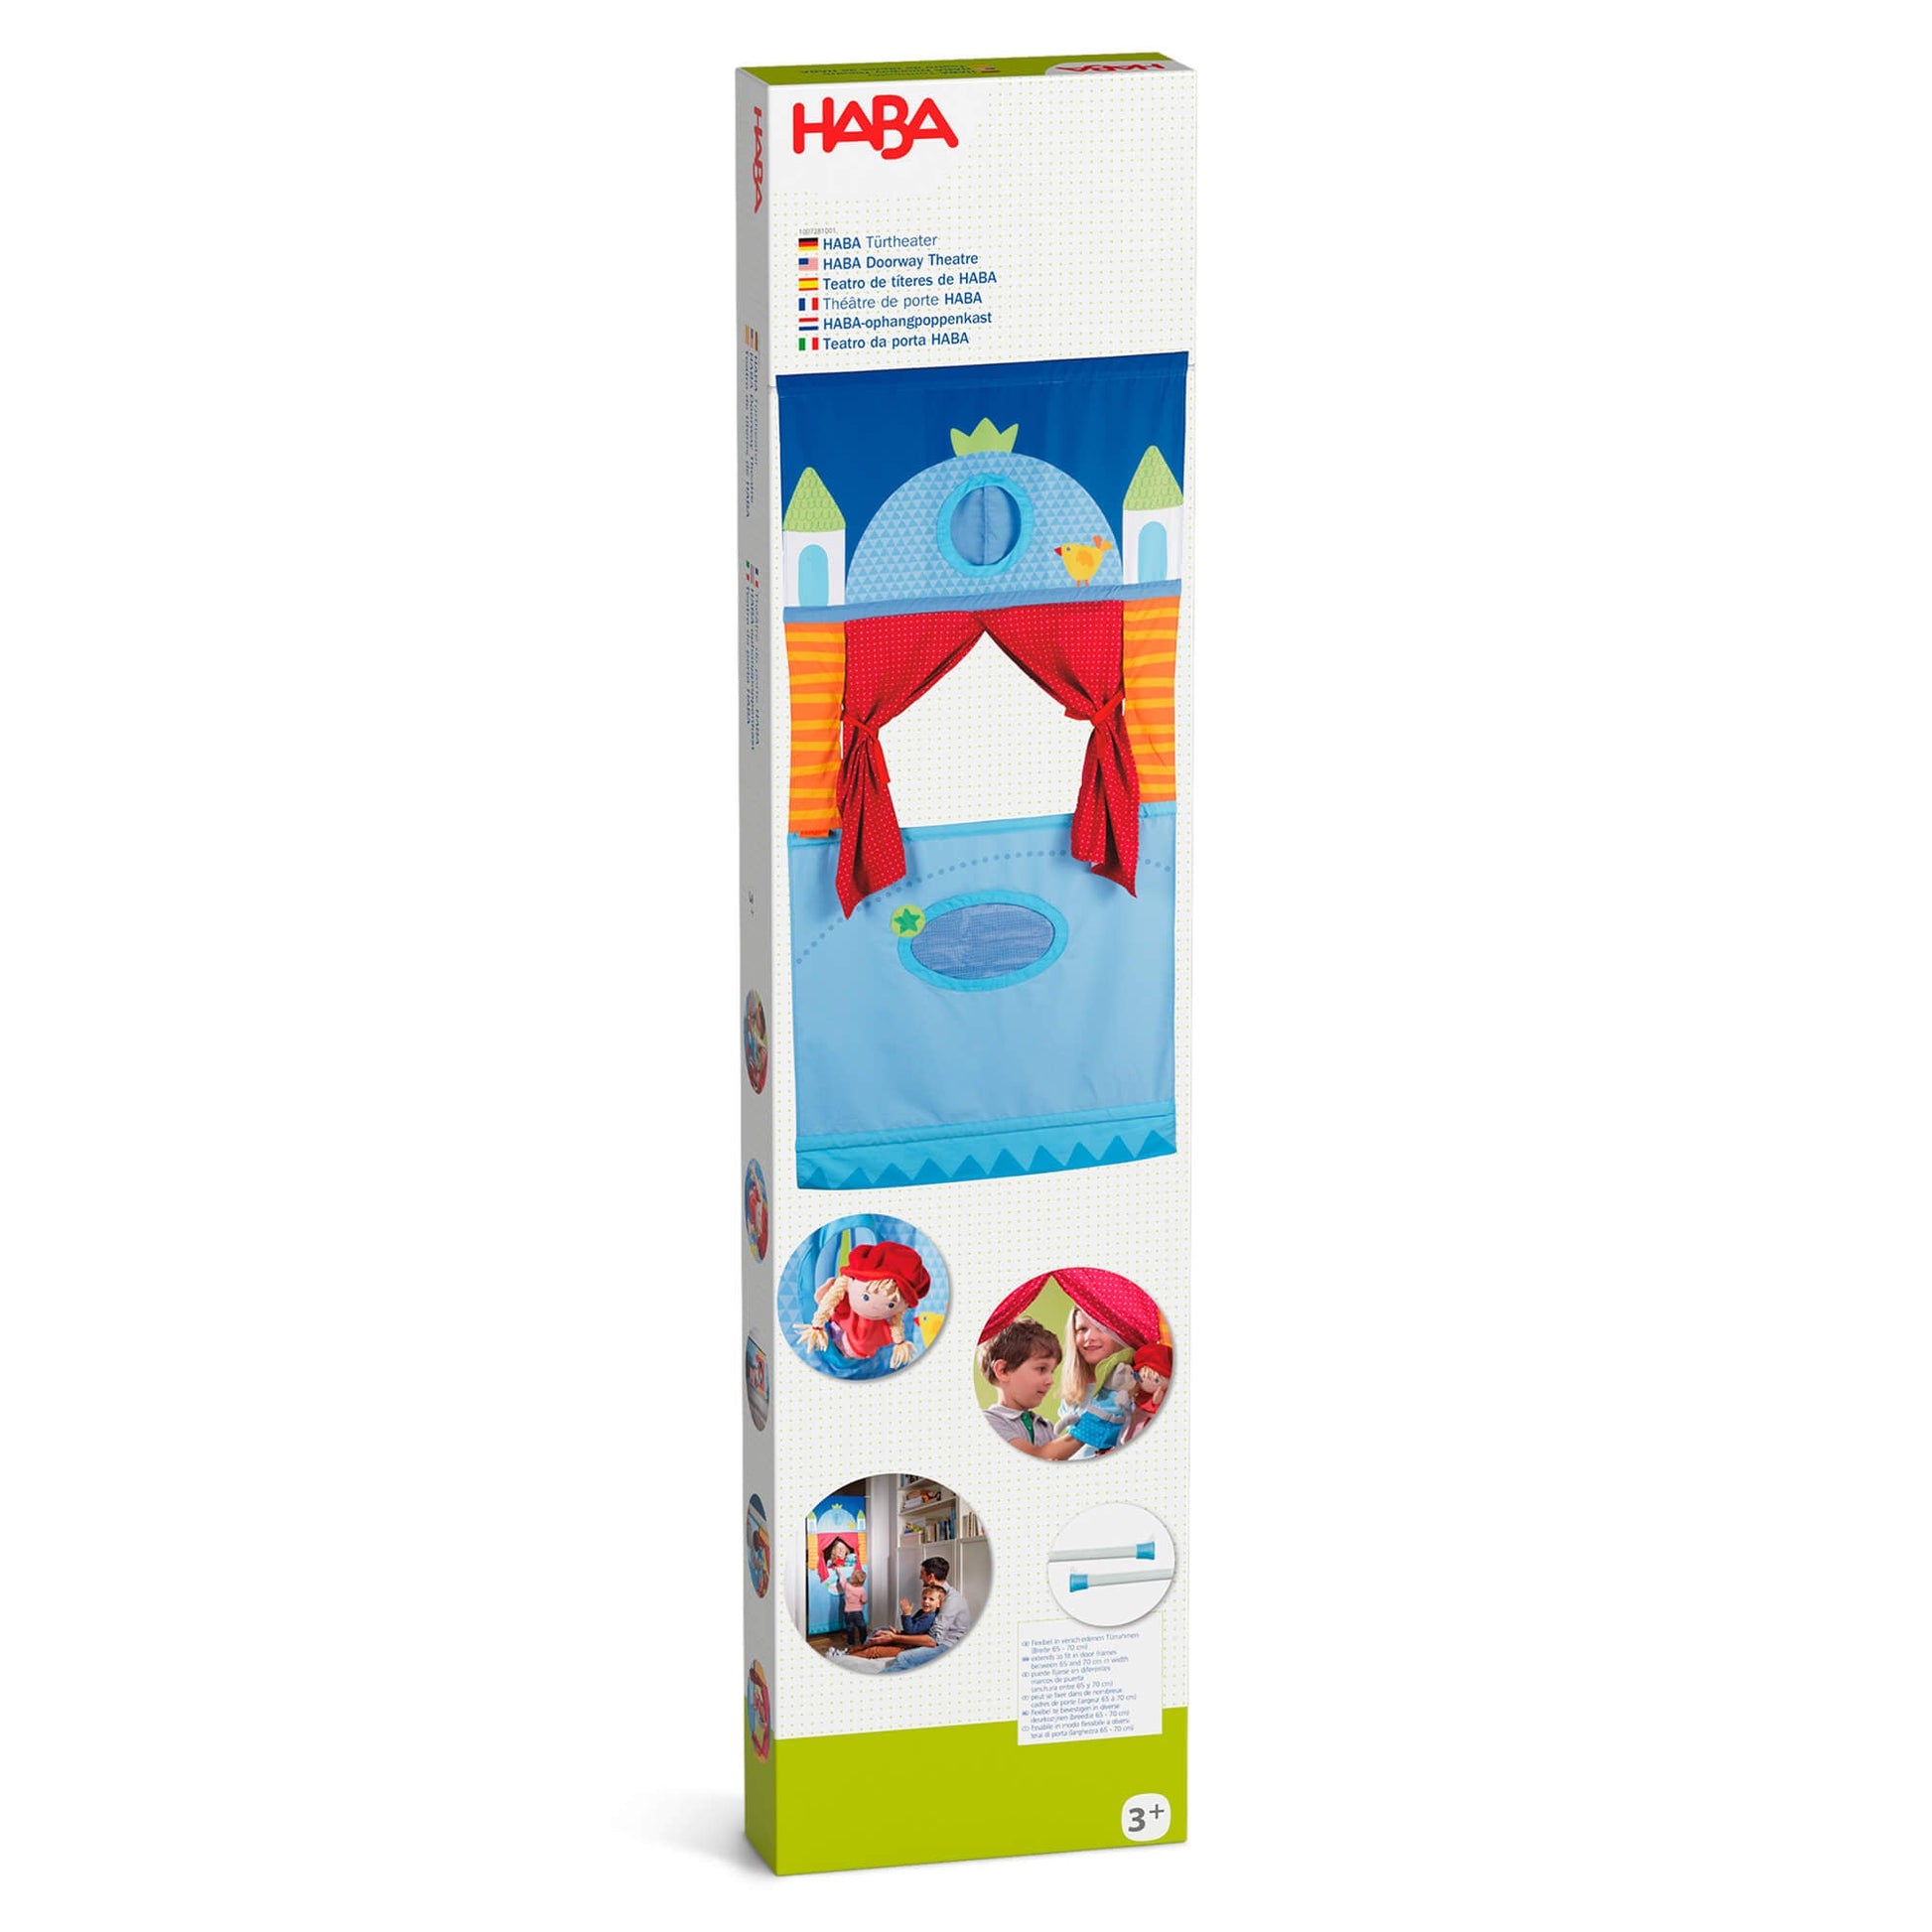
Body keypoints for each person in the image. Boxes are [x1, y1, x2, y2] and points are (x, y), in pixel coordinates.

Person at [977, 1317, 1063, 1452]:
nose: (1050, 1380)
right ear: (1003, 1371)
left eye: (1051, 1371)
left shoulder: (1047, 1427)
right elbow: (1035, 1457)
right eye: (1041, 1369)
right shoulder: (989, 1421)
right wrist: (1083, 1433)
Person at [839, 1563, 869, 1648]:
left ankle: (850, 1643)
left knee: (850, 1627)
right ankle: (864, 1641)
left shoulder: (847, 1586)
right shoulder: (861, 1590)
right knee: (861, 1626)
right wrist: (863, 1602)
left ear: (852, 1578)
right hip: (857, 1612)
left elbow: (842, 1581)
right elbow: (864, 1600)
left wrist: (840, 1573)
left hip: (848, 1612)